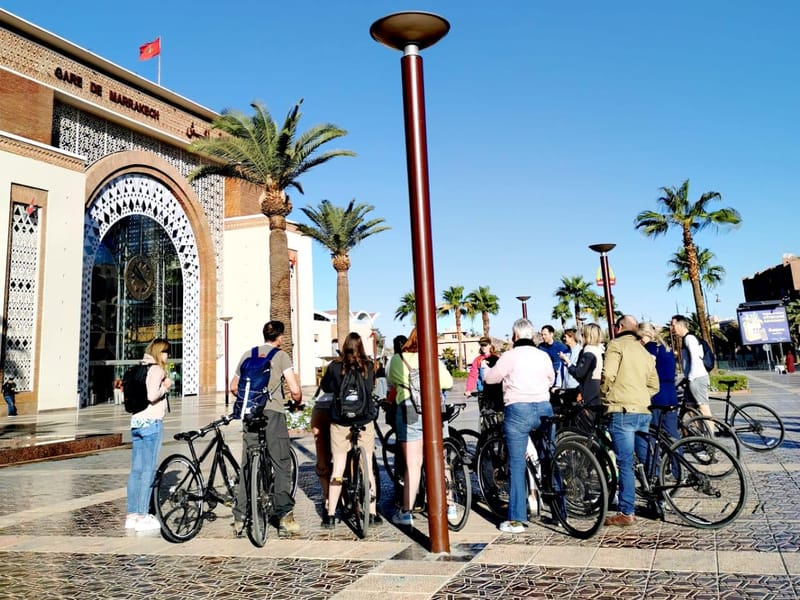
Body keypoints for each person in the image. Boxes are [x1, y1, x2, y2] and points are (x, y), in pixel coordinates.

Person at [230, 320, 303, 538]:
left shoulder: (247, 354)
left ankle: (240, 516)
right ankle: (284, 517)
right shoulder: (281, 356)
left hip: (250, 415)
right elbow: (295, 389)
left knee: (247, 462)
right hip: (273, 414)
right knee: (281, 463)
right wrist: (296, 400)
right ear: (280, 337)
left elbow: (233, 386)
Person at [483, 318, 555, 534]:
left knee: (516, 463)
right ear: (531, 335)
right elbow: (551, 379)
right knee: (549, 456)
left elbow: (492, 379)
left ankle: (517, 519)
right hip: (544, 406)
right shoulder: (543, 355)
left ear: (514, 336)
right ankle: (560, 510)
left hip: (518, 409)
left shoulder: (509, 356)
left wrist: (486, 370)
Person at [388, 327, 453, 526]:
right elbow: (448, 382)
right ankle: (449, 505)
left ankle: (407, 511)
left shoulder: (398, 360)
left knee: (413, 465)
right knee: (440, 460)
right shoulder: (433, 358)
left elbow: (391, 381)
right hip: (433, 411)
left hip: (408, 410)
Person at [601, 315, 659, 527]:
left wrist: (606, 395)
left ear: (618, 327)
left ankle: (626, 512)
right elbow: (655, 384)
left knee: (625, 462)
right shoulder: (643, 350)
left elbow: (608, 374)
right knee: (646, 460)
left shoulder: (616, 345)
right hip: (643, 410)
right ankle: (657, 502)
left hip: (622, 410)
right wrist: (642, 397)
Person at [319, 332, 381, 528]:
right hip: (364, 420)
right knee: (368, 466)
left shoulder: (335, 367)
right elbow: (371, 387)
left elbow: (326, 388)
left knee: (338, 465)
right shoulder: (369, 366)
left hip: (341, 421)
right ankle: (372, 513)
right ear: (361, 346)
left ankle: (330, 515)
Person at [125, 338, 172, 532]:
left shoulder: (139, 368)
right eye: (166, 352)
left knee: (136, 470)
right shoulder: (157, 370)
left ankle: (132, 515)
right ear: (159, 352)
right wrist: (166, 386)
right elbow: (152, 395)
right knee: (148, 470)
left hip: (136, 422)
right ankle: (143, 515)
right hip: (151, 422)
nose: (168, 356)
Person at [638, 322, 680, 441]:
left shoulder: (650, 346)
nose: (639, 341)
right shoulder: (665, 348)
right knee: (672, 433)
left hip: (657, 394)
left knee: (652, 432)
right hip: (671, 393)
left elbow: (648, 367)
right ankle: (677, 458)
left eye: (640, 338)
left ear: (646, 334)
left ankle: (655, 459)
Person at [670, 315, 714, 424]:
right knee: (690, 407)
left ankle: (710, 438)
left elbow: (695, 359)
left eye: (673, 325)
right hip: (692, 378)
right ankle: (699, 435)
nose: (672, 328)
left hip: (697, 378)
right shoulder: (686, 339)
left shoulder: (690, 338)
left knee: (703, 408)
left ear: (681, 325)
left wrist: (691, 378)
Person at [563, 322, 604, 407]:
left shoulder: (588, 352)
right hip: (597, 390)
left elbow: (579, 373)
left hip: (590, 393)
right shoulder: (599, 350)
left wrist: (568, 364)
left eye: (582, 334)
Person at [465, 336, 503, 411]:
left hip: (496, 391)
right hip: (482, 391)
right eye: (481, 345)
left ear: (490, 345)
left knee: (498, 414)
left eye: (485, 345)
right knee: (484, 413)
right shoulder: (478, 360)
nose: (483, 347)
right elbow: (473, 375)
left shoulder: (496, 358)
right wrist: (468, 389)